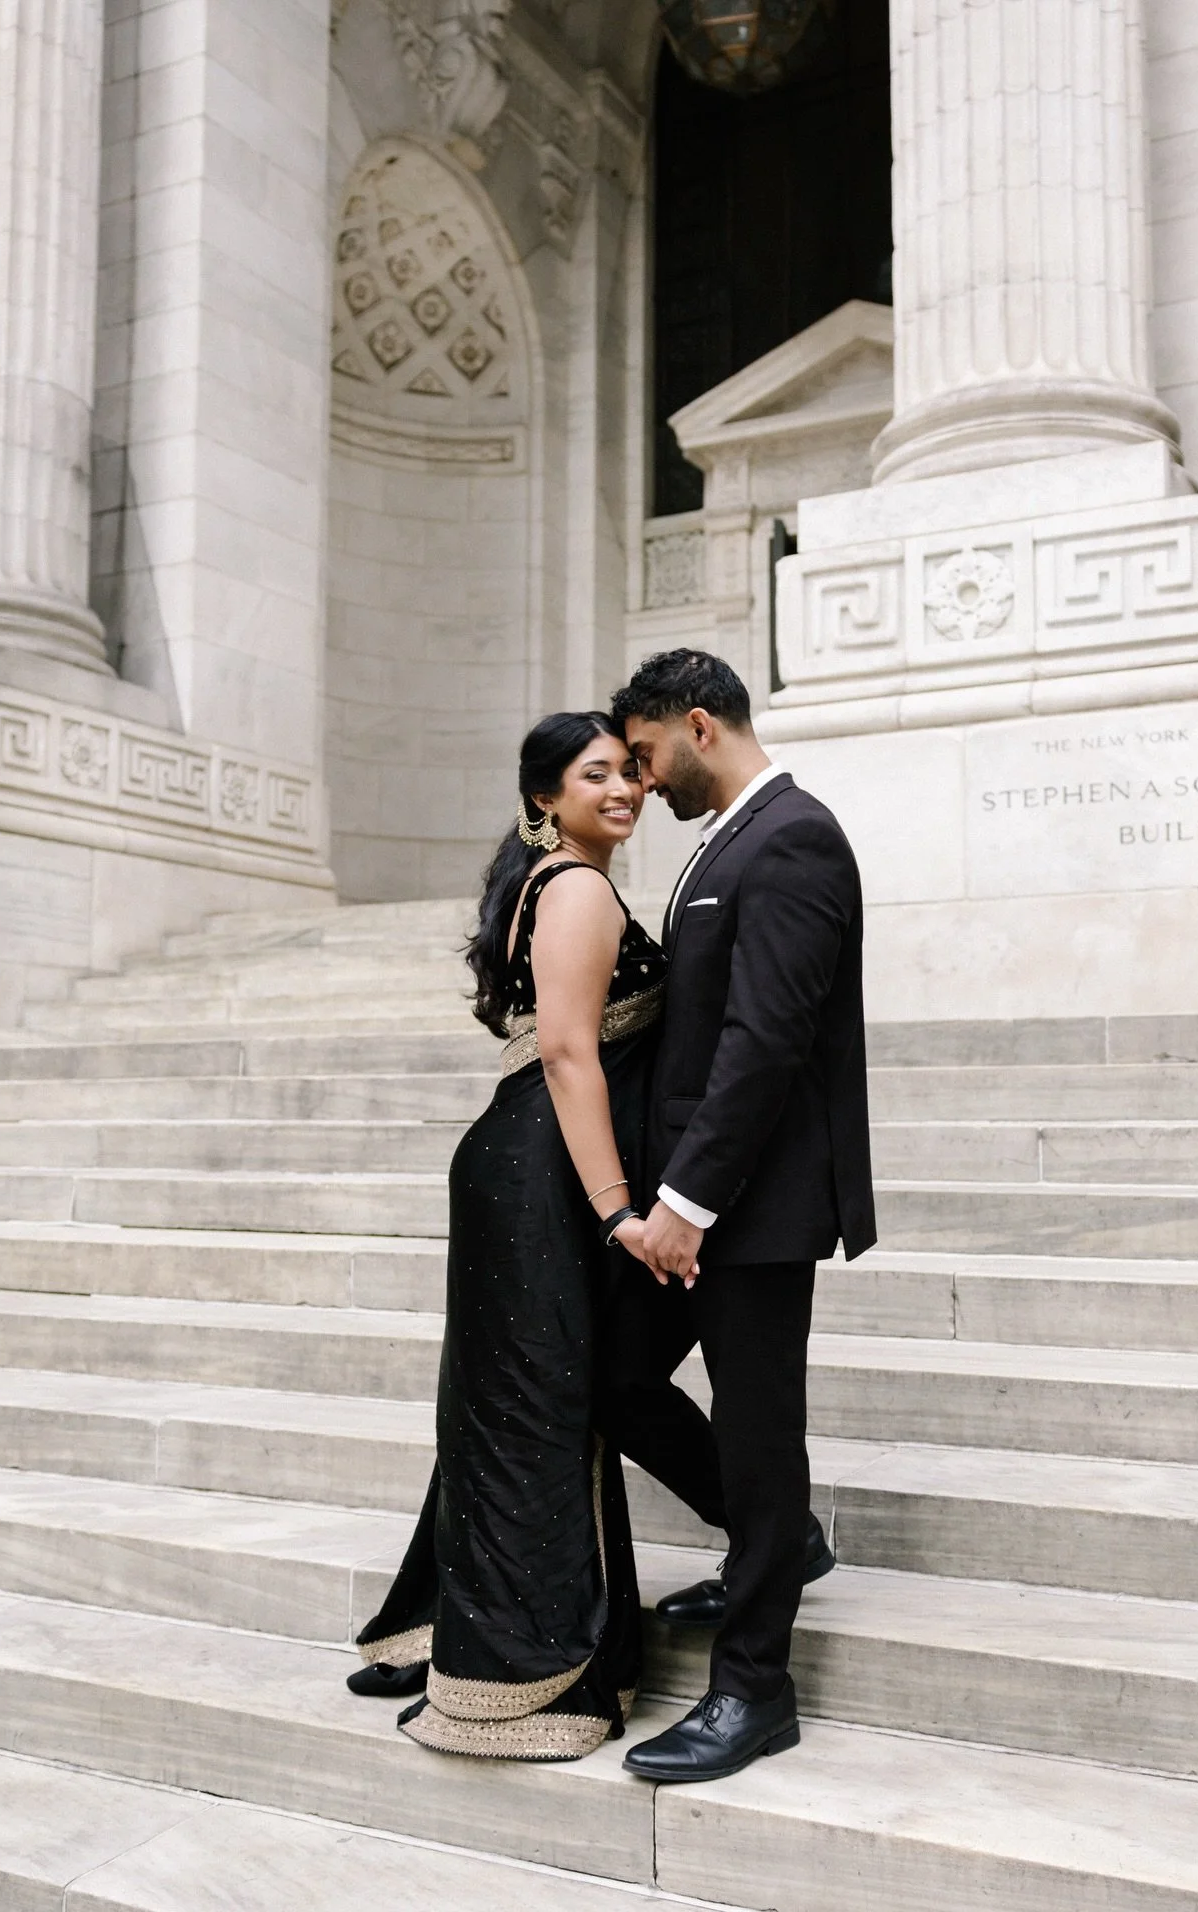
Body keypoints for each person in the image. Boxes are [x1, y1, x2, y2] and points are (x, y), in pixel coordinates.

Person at [349, 711, 667, 1759]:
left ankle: (447, 1622)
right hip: (542, 1175)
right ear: (544, 797)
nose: (622, 789)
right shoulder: (576, 888)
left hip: (521, 1164)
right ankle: (519, 1671)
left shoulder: (554, 880)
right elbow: (571, 1055)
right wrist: (617, 1207)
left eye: (628, 771)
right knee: (537, 1410)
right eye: (596, 774)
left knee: (507, 1406)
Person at [601, 649, 876, 1784]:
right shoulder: (727, 840)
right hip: (697, 1202)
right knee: (613, 1374)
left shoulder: (795, 837)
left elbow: (766, 1043)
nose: (642, 779)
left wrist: (686, 1202)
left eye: (647, 754)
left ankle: (756, 1687)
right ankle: (781, 1542)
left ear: (700, 725)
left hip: (752, 1206)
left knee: (761, 1436)